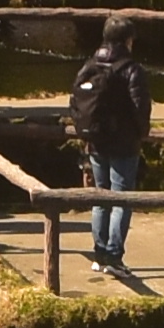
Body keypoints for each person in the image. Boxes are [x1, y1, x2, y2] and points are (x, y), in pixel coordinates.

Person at [62, 16, 154, 287]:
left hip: (96, 140)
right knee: (121, 198)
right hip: (124, 143)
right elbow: (140, 107)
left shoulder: (90, 64)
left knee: (100, 197)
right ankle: (114, 257)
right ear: (128, 40)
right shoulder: (131, 69)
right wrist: (141, 133)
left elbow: (74, 102)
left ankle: (100, 252)